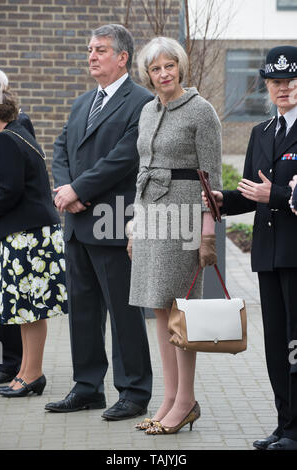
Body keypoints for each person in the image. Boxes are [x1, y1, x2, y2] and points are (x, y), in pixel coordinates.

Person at [45, 24, 153, 419]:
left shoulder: (142, 103)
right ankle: (88, 387)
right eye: (90, 49)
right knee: (84, 313)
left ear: (122, 57)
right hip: (77, 224)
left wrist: (78, 191)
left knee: (124, 313)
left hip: (113, 223)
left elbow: (125, 157)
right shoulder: (80, 103)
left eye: (100, 50)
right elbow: (59, 146)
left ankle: (134, 391)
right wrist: (64, 187)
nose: (92, 55)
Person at [203, 46, 297, 450]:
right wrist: (224, 199)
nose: (284, 89)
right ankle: (284, 425)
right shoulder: (262, 132)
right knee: (276, 343)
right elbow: (251, 193)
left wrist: (272, 193)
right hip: (269, 254)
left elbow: (273, 193)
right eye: (276, 82)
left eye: (292, 81)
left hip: (296, 255)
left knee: (296, 344)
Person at [128, 37, 222, 435]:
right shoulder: (148, 111)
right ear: (147, 75)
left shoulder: (202, 111)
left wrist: (207, 235)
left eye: (169, 66)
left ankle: (185, 401)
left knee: (182, 313)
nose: (163, 74)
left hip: (183, 217)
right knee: (160, 311)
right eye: (155, 68)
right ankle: (169, 398)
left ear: (180, 68)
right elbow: (142, 169)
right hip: (151, 218)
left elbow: (212, 180)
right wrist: (133, 226)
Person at [0, 87, 68, 398]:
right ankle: (26, 372)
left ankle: (33, 373)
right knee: (26, 310)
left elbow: (7, 191)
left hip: (29, 236)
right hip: (31, 233)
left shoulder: (6, 140)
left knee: (31, 308)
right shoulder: (18, 133)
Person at [0, 69, 35, 388]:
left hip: (13, 225)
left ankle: (16, 363)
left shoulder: (16, 128)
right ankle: (14, 363)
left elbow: (12, 184)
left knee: (14, 298)